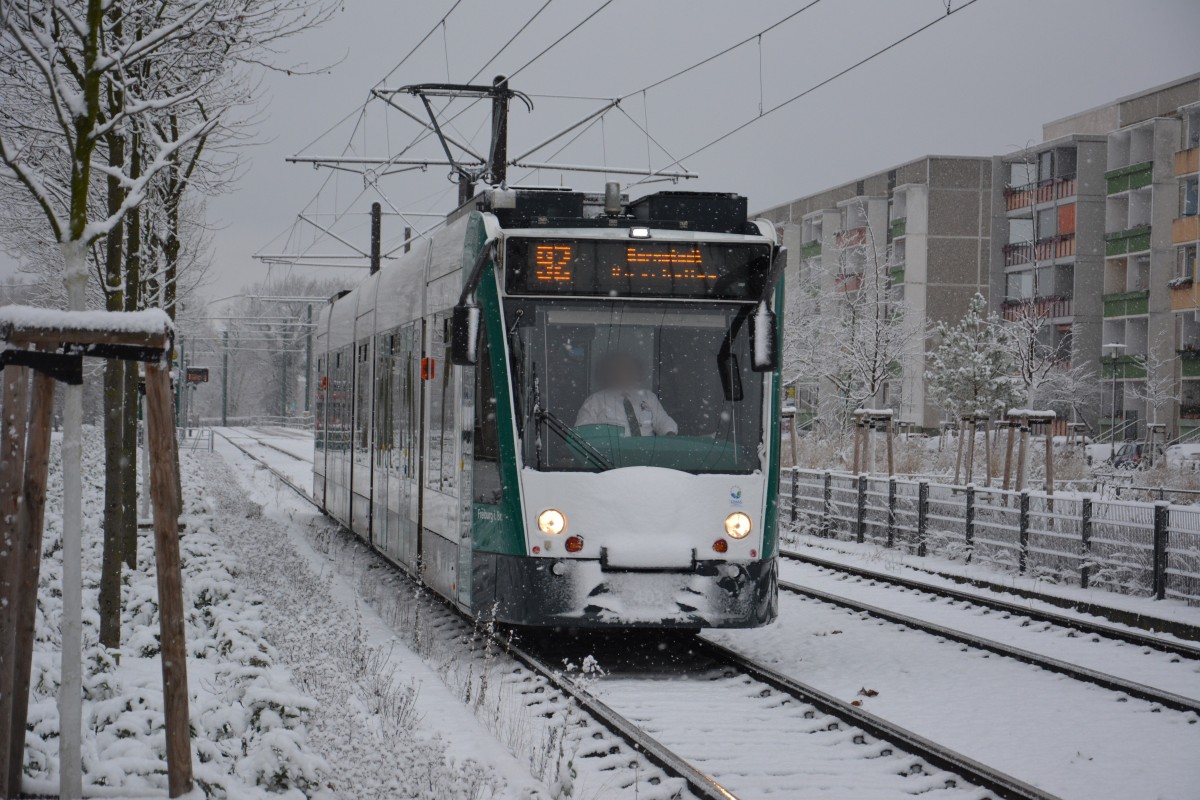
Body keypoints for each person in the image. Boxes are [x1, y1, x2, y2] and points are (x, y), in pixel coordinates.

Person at [575, 351, 678, 436]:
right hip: (609, 457)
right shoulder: (595, 401)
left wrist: (670, 434)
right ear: (608, 372)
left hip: (647, 454)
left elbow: (663, 421)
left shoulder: (648, 397)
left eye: (629, 369)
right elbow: (582, 434)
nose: (624, 373)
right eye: (619, 369)